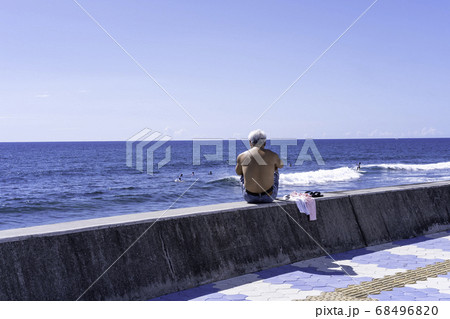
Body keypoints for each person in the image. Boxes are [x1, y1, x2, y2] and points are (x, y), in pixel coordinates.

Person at [235, 129, 283, 203]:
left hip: (249, 197)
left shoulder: (242, 156)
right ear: (265, 143)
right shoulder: (273, 155)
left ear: (250, 142)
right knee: (275, 170)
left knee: (242, 172)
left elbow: (238, 172)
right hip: (269, 197)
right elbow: (281, 165)